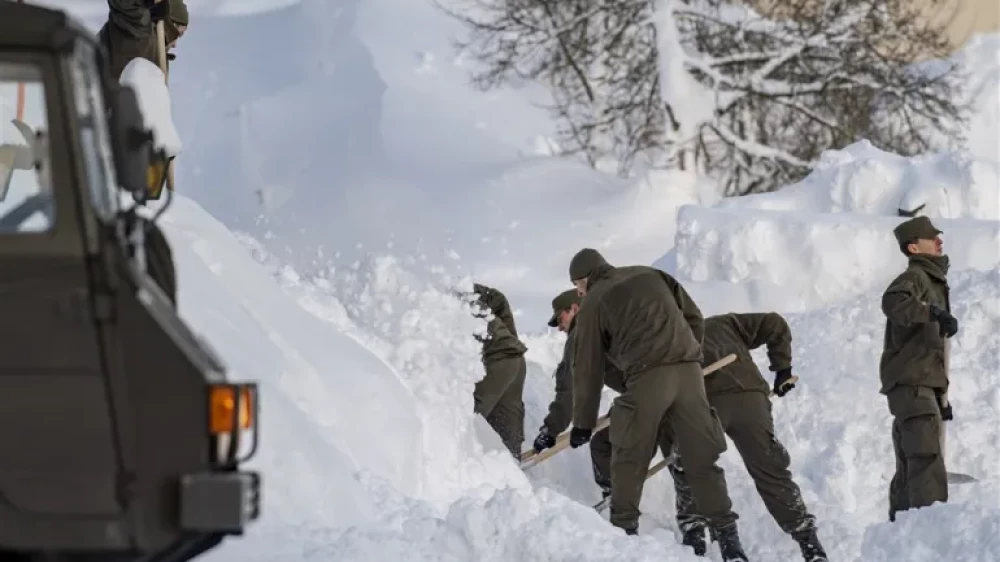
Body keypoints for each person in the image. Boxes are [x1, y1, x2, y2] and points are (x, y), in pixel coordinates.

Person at [565, 248, 749, 562]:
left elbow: (588, 367)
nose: (579, 293)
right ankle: (731, 545)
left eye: (577, 288)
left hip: (648, 377)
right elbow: (693, 317)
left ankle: (624, 535)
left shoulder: (594, 301)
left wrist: (583, 424)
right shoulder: (651, 274)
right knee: (701, 458)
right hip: (690, 373)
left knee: (629, 455)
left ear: (584, 280)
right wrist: (685, 353)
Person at [665, 312, 828, 561]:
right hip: (749, 399)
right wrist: (782, 369)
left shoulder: (667, 340)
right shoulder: (726, 323)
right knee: (770, 469)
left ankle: (701, 532)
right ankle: (810, 543)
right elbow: (775, 323)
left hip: (705, 405)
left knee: (692, 465)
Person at [531, 288, 695, 531]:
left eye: (560, 318)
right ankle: (694, 527)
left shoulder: (582, 334)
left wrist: (550, 430)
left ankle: (619, 503)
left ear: (574, 309)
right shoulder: (611, 319)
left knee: (606, 444)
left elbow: (569, 388)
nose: (559, 326)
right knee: (677, 456)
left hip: (644, 397)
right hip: (673, 388)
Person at [880, 216, 957, 522]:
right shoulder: (916, 277)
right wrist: (933, 312)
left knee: (912, 462)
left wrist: (941, 400)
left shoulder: (933, 281)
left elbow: (930, 351)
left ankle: (899, 536)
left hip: (919, 385)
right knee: (926, 461)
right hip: (912, 384)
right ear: (914, 247)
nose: (939, 240)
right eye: (931, 238)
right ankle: (929, 532)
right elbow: (893, 302)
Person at [470, 283, 528, 457]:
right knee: (507, 417)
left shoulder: (445, 297)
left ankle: (458, 467)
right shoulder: (475, 294)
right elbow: (499, 300)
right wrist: (509, 341)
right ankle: (512, 462)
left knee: (467, 420)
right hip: (514, 357)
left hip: (497, 361)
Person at [99, 0, 190, 80]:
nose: (175, 45)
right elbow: (124, 4)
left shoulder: (157, 48)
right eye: (178, 34)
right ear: (170, 25)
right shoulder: (138, 30)